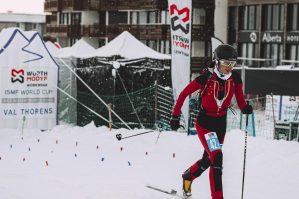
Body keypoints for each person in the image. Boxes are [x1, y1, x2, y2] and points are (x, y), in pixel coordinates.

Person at [169, 44, 253, 199]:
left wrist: (245, 108)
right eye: (225, 63)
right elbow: (183, 95)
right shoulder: (206, 78)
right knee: (217, 157)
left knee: (209, 160)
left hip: (220, 124)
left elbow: (240, 101)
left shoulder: (235, 79)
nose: (229, 67)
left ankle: (188, 177)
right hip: (205, 124)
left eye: (232, 64)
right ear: (217, 61)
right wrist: (175, 116)